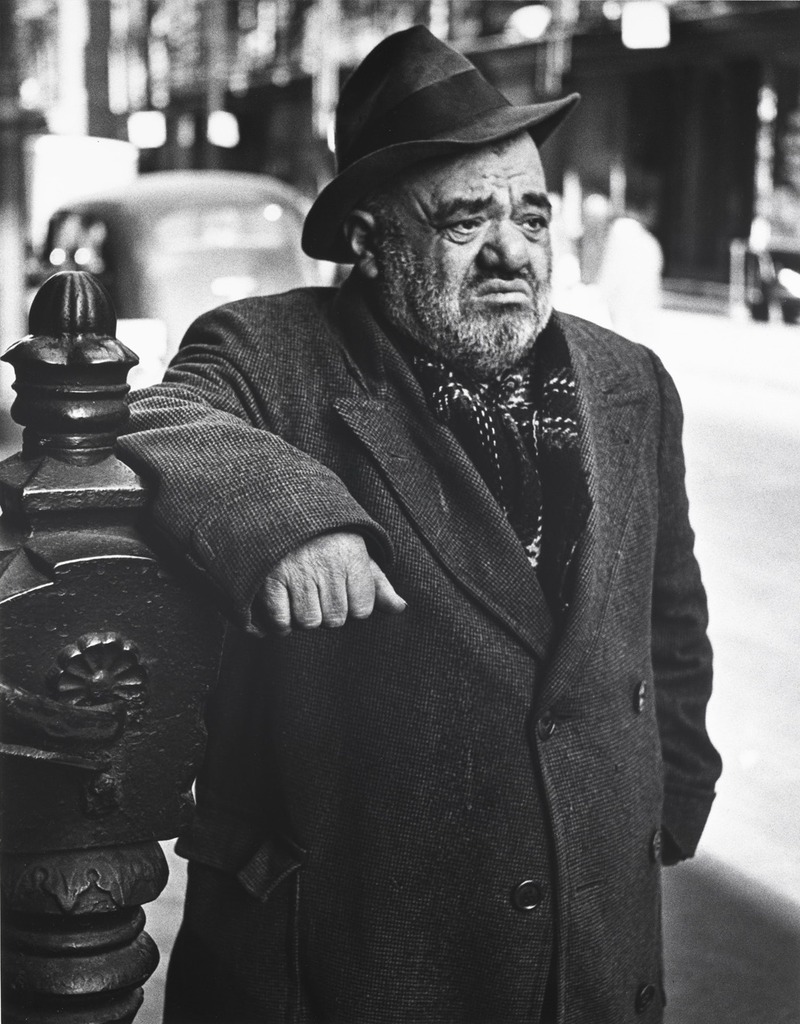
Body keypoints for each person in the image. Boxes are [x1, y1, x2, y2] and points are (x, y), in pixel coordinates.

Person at [118, 25, 721, 1024]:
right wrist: (288, 522)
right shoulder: (268, 352)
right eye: (465, 221)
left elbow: (668, 613)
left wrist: (672, 790)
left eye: (531, 217)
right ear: (368, 238)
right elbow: (159, 416)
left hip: (590, 936)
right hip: (352, 947)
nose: (510, 251)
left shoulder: (629, 381)